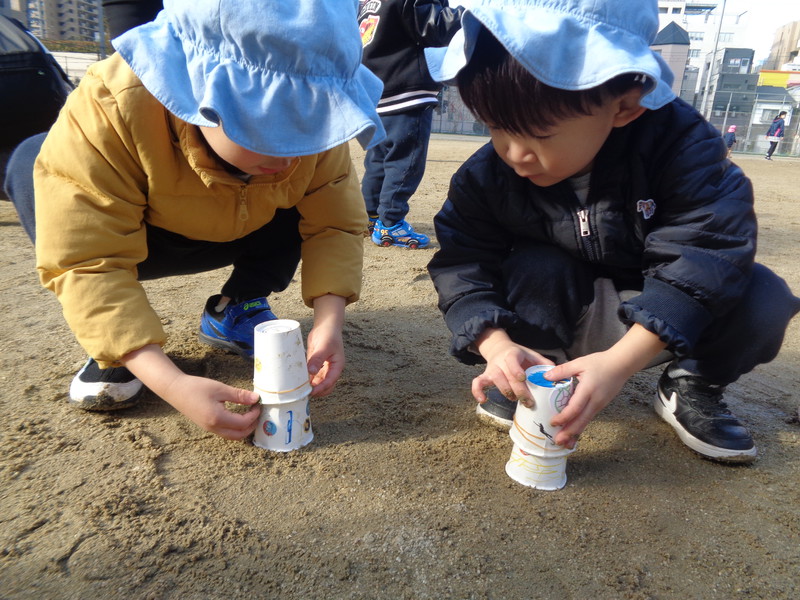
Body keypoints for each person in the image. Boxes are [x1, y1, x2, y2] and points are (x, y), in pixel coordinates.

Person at [425, 0, 800, 463]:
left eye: (539, 135)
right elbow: (463, 261)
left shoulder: (684, 150)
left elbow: (705, 255)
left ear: (625, 105)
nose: (515, 154)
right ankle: (534, 372)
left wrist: (620, 366)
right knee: (532, 264)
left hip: (670, 322)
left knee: (762, 296)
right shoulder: (487, 176)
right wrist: (496, 344)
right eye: (497, 128)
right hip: (569, 306)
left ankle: (693, 383)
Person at [3, 0, 384, 440]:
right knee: (36, 163)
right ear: (197, 86)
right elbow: (87, 257)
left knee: (303, 195)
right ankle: (116, 352)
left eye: (311, 127)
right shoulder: (114, 102)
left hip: (249, 227)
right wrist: (169, 381)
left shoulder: (307, 133)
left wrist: (329, 322)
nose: (292, 154)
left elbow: (333, 222)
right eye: (272, 127)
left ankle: (238, 304)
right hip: (148, 236)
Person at [358, 0, 463, 249]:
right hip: (406, 89)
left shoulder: (367, 3)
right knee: (405, 162)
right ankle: (391, 223)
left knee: (378, 160)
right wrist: (474, 14)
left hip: (376, 91)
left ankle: (370, 216)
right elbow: (435, 26)